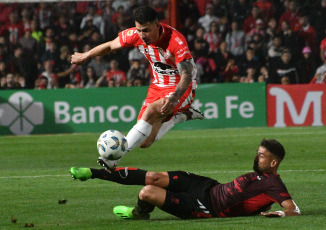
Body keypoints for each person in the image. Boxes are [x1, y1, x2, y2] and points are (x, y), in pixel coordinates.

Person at [71, 6, 203, 170]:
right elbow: (111, 45)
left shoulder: (175, 41)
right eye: (139, 30)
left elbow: (186, 76)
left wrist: (174, 98)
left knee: (149, 113)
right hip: (157, 86)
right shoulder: (136, 35)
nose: (142, 35)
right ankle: (181, 116)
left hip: (182, 88)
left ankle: (114, 159)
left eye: (146, 30)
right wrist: (86, 55)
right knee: (145, 142)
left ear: (157, 24)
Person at [70, 139, 301, 219]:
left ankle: (139, 213)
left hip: (206, 207)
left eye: (262, 156)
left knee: (147, 192)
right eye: (258, 153)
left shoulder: (274, 183)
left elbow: (294, 210)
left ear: (273, 163)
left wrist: (280, 213)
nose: (256, 157)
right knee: (153, 177)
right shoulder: (259, 175)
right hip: (207, 186)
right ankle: (94, 172)